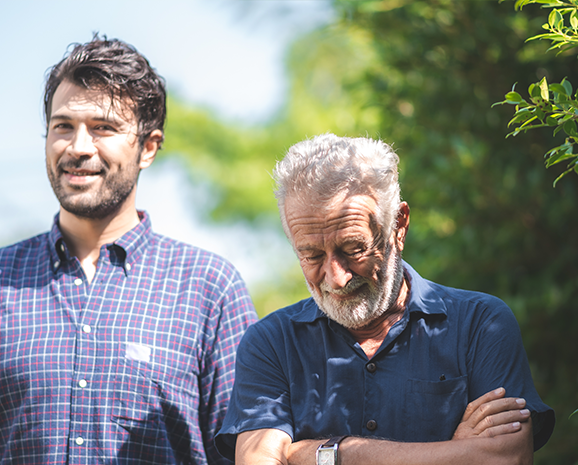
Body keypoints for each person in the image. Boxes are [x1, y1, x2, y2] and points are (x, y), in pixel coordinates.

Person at [0, 36, 257, 465]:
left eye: (103, 128)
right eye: (63, 126)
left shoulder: (209, 289)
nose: (78, 147)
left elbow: (248, 453)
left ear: (147, 147)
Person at [215, 134, 554, 465]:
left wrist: (330, 454)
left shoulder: (482, 324)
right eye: (312, 255)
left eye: (353, 249)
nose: (336, 277)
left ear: (399, 227)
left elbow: (508, 457)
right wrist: (454, 452)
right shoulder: (271, 343)